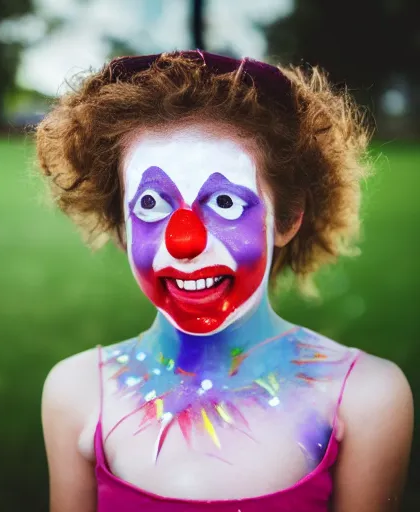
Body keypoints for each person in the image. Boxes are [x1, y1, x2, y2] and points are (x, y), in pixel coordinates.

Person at [36, 51, 413, 512]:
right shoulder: (76, 392)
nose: (184, 242)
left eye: (227, 204)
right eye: (152, 205)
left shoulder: (364, 398)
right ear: (121, 227)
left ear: (288, 218)